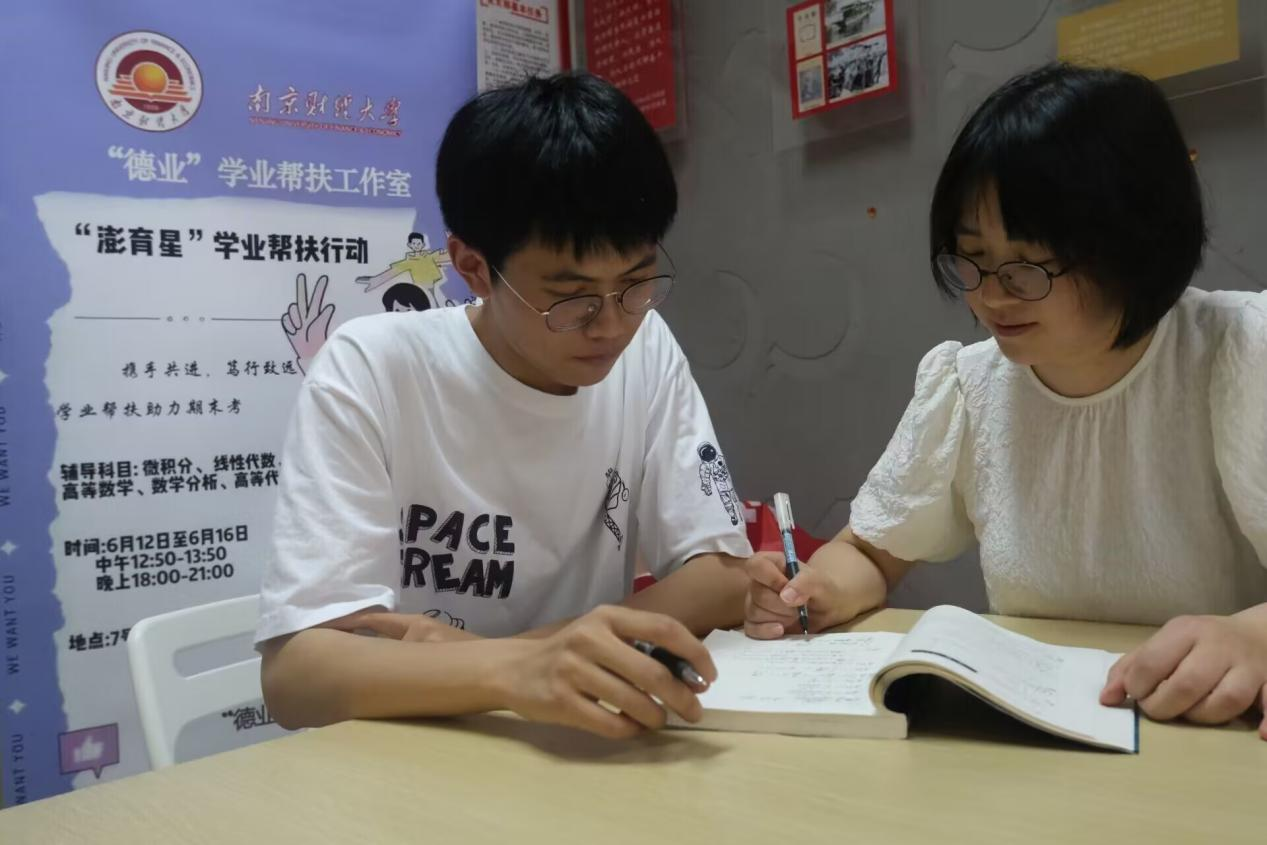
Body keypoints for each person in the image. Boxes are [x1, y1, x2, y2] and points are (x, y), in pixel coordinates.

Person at [744, 63, 1267, 737]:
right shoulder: (971, 385)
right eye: (972, 259)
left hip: (1209, 732)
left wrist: (1253, 635)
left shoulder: (1239, 352)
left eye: (1026, 266)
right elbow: (872, 551)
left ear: (1131, 244)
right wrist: (816, 590)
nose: (991, 294)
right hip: (1044, 733)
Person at [257, 72, 762, 740]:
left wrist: (519, 657)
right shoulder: (374, 367)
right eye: (571, 297)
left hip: (578, 739)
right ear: (472, 267)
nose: (612, 326)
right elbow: (295, 677)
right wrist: (519, 670)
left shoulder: (646, 349)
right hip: (411, 751)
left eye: (637, 283)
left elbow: (722, 577)